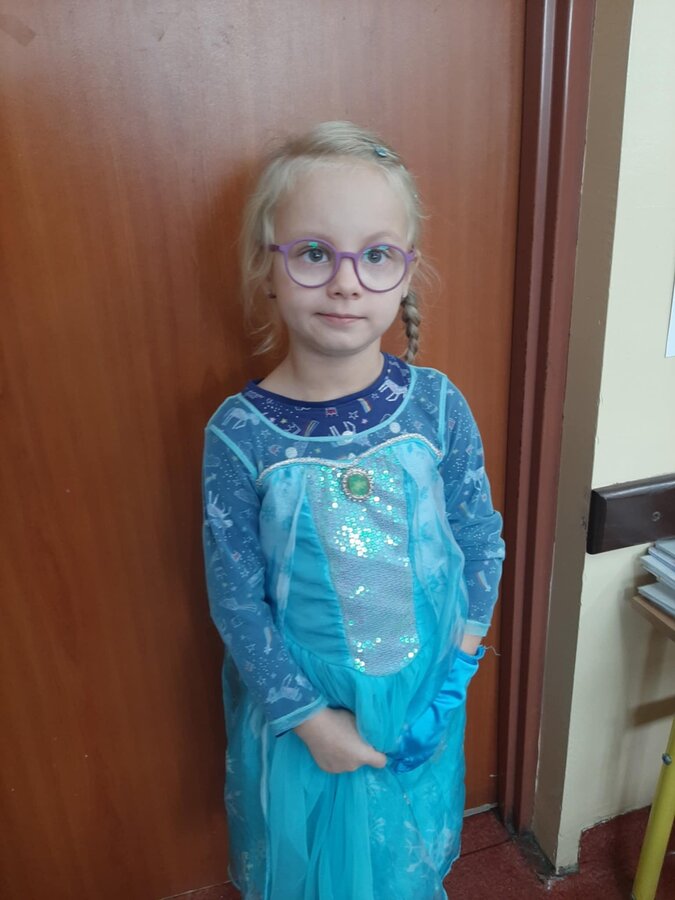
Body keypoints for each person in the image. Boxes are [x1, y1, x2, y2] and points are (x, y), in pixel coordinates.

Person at [202, 121, 505, 900]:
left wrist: (458, 664)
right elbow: (236, 598)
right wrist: (309, 721)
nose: (345, 283)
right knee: (322, 868)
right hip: (308, 706)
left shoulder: (436, 406)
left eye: (374, 255)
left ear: (405, 272)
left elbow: (478, 536)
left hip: (424, 688)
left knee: (402, 855)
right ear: (267, 268)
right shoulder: (239, 434)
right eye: (313, 253)